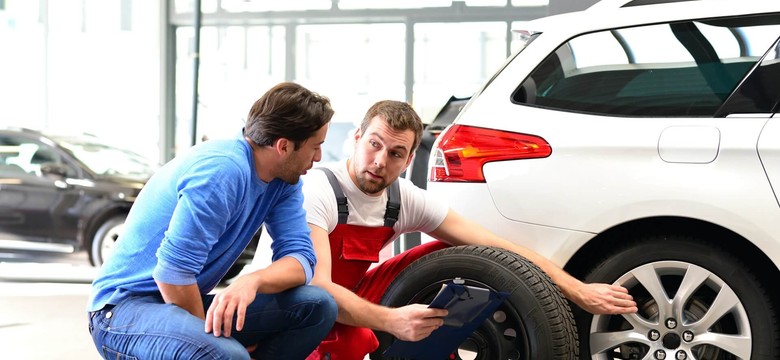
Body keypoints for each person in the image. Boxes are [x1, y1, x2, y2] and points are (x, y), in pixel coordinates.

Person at [297, 100, 639, 360]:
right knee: (354, 342)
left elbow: (498, 248)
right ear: (356, 139)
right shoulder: (320, 189)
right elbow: (320, 289)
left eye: (395, 153)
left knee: (456, 255)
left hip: (354, 290)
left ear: (409, 159)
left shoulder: (401, 199)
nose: (380, 162)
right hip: (299, 302)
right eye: (374, 144)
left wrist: (577, 290)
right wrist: (391, 320)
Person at [86, 82, 338, 360]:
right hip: (122, 311)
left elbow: (302, 259)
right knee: (228, 356)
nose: (318, 157)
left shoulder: (283, 180)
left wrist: (252, 281)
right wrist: (209, 341)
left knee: (318, 305)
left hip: (175, 301)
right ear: (284, 146)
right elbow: (173, 273)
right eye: (316, 146)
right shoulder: (223, 171)